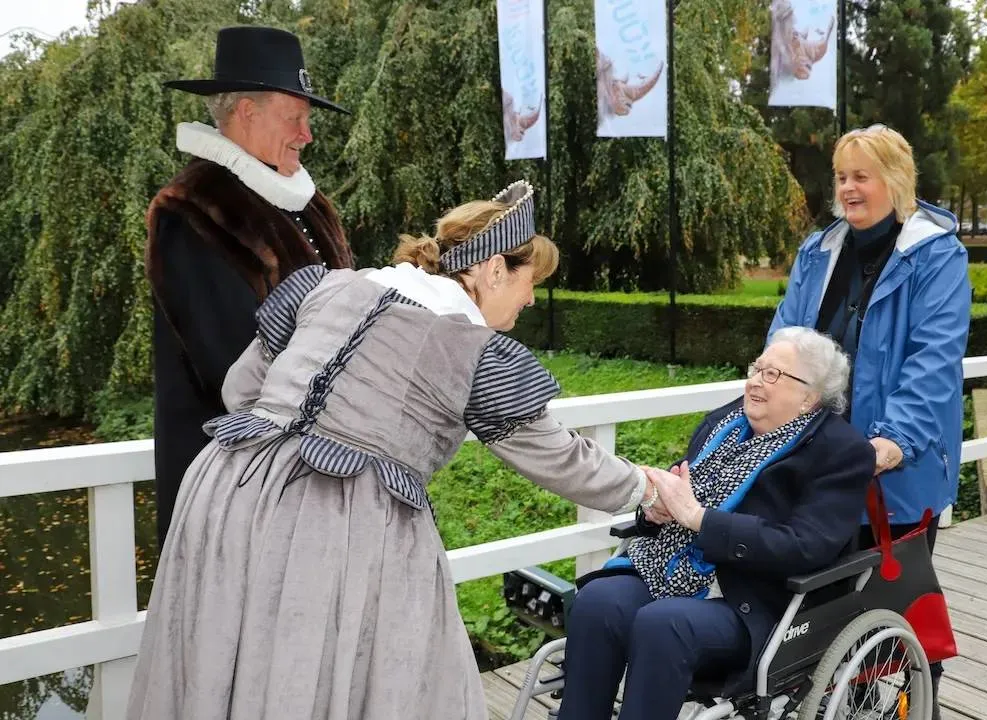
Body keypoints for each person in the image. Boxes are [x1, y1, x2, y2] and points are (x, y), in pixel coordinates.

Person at [126, 180, 662, 720]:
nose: (529, 298)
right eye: (529, 282)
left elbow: (241, 389)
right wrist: (645, 488)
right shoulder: (468, 347)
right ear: (495, 269)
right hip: (332, 518)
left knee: (225, 662)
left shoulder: (332, 286)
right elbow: (558, 456)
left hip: (227, 485)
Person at [556, 327, 876, 720]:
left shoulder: (841, 453)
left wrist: (699, 519)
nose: (756, 380)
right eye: (757, 368)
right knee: (597, 603)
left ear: (808, 396)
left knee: (663, 624)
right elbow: (681, 494)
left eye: (773, 374)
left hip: (755, 600)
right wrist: (656, 509)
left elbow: (805, 547)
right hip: (672, 569)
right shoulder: (723, 424)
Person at [768, 124, 970, 717]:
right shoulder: (819, 252)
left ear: (896, 181)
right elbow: (784, 339)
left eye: (862, 176)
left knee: (894, 603)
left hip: (891, 472)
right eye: (841, 177)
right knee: (820, 617)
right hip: (820, 461)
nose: (848, 189)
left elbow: (933, 361)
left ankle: (912, 703)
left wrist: (893, 442)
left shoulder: (935, 257)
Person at [146, 26, 354, 549]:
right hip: (229, 487)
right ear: (245, 113)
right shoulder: (191, 211)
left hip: (304, 476)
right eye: (296, 117)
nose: (307, 134)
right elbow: (233, 368)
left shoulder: (309, 203)